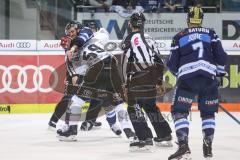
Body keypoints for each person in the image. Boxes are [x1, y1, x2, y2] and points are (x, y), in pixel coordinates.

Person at [167, 6, 227, 160]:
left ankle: (183, 147)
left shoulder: (179, 36)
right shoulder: (211, 33)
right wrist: (218, 72)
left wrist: (178, 73)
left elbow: (172, 64)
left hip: (187, 78)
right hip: (208, 77)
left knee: (179, 111)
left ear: (188, 19)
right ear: (201, 19)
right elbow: (221, 56)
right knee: (208, 113)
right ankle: (208, 147)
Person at [56, 24, 134, 141]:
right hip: (112, 64)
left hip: (97, 68)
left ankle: (71, 131)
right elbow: (85, 37)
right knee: (117, 102)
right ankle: (129, 131)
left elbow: (75, 79)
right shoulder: (91, 37)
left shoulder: (73, 51)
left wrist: (84, 89)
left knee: (76, 101)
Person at [121, 12, 172, 151]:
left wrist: (125, 82)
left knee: (133, 107)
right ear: (143, 24)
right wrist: (159, 81)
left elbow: (125, 62)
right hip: (151, 76)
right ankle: (165, 135)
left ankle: (144, 139)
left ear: (130, 24)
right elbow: (159, 61)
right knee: (150, 106)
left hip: (137, 77)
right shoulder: (150, 38)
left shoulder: (129, 39)